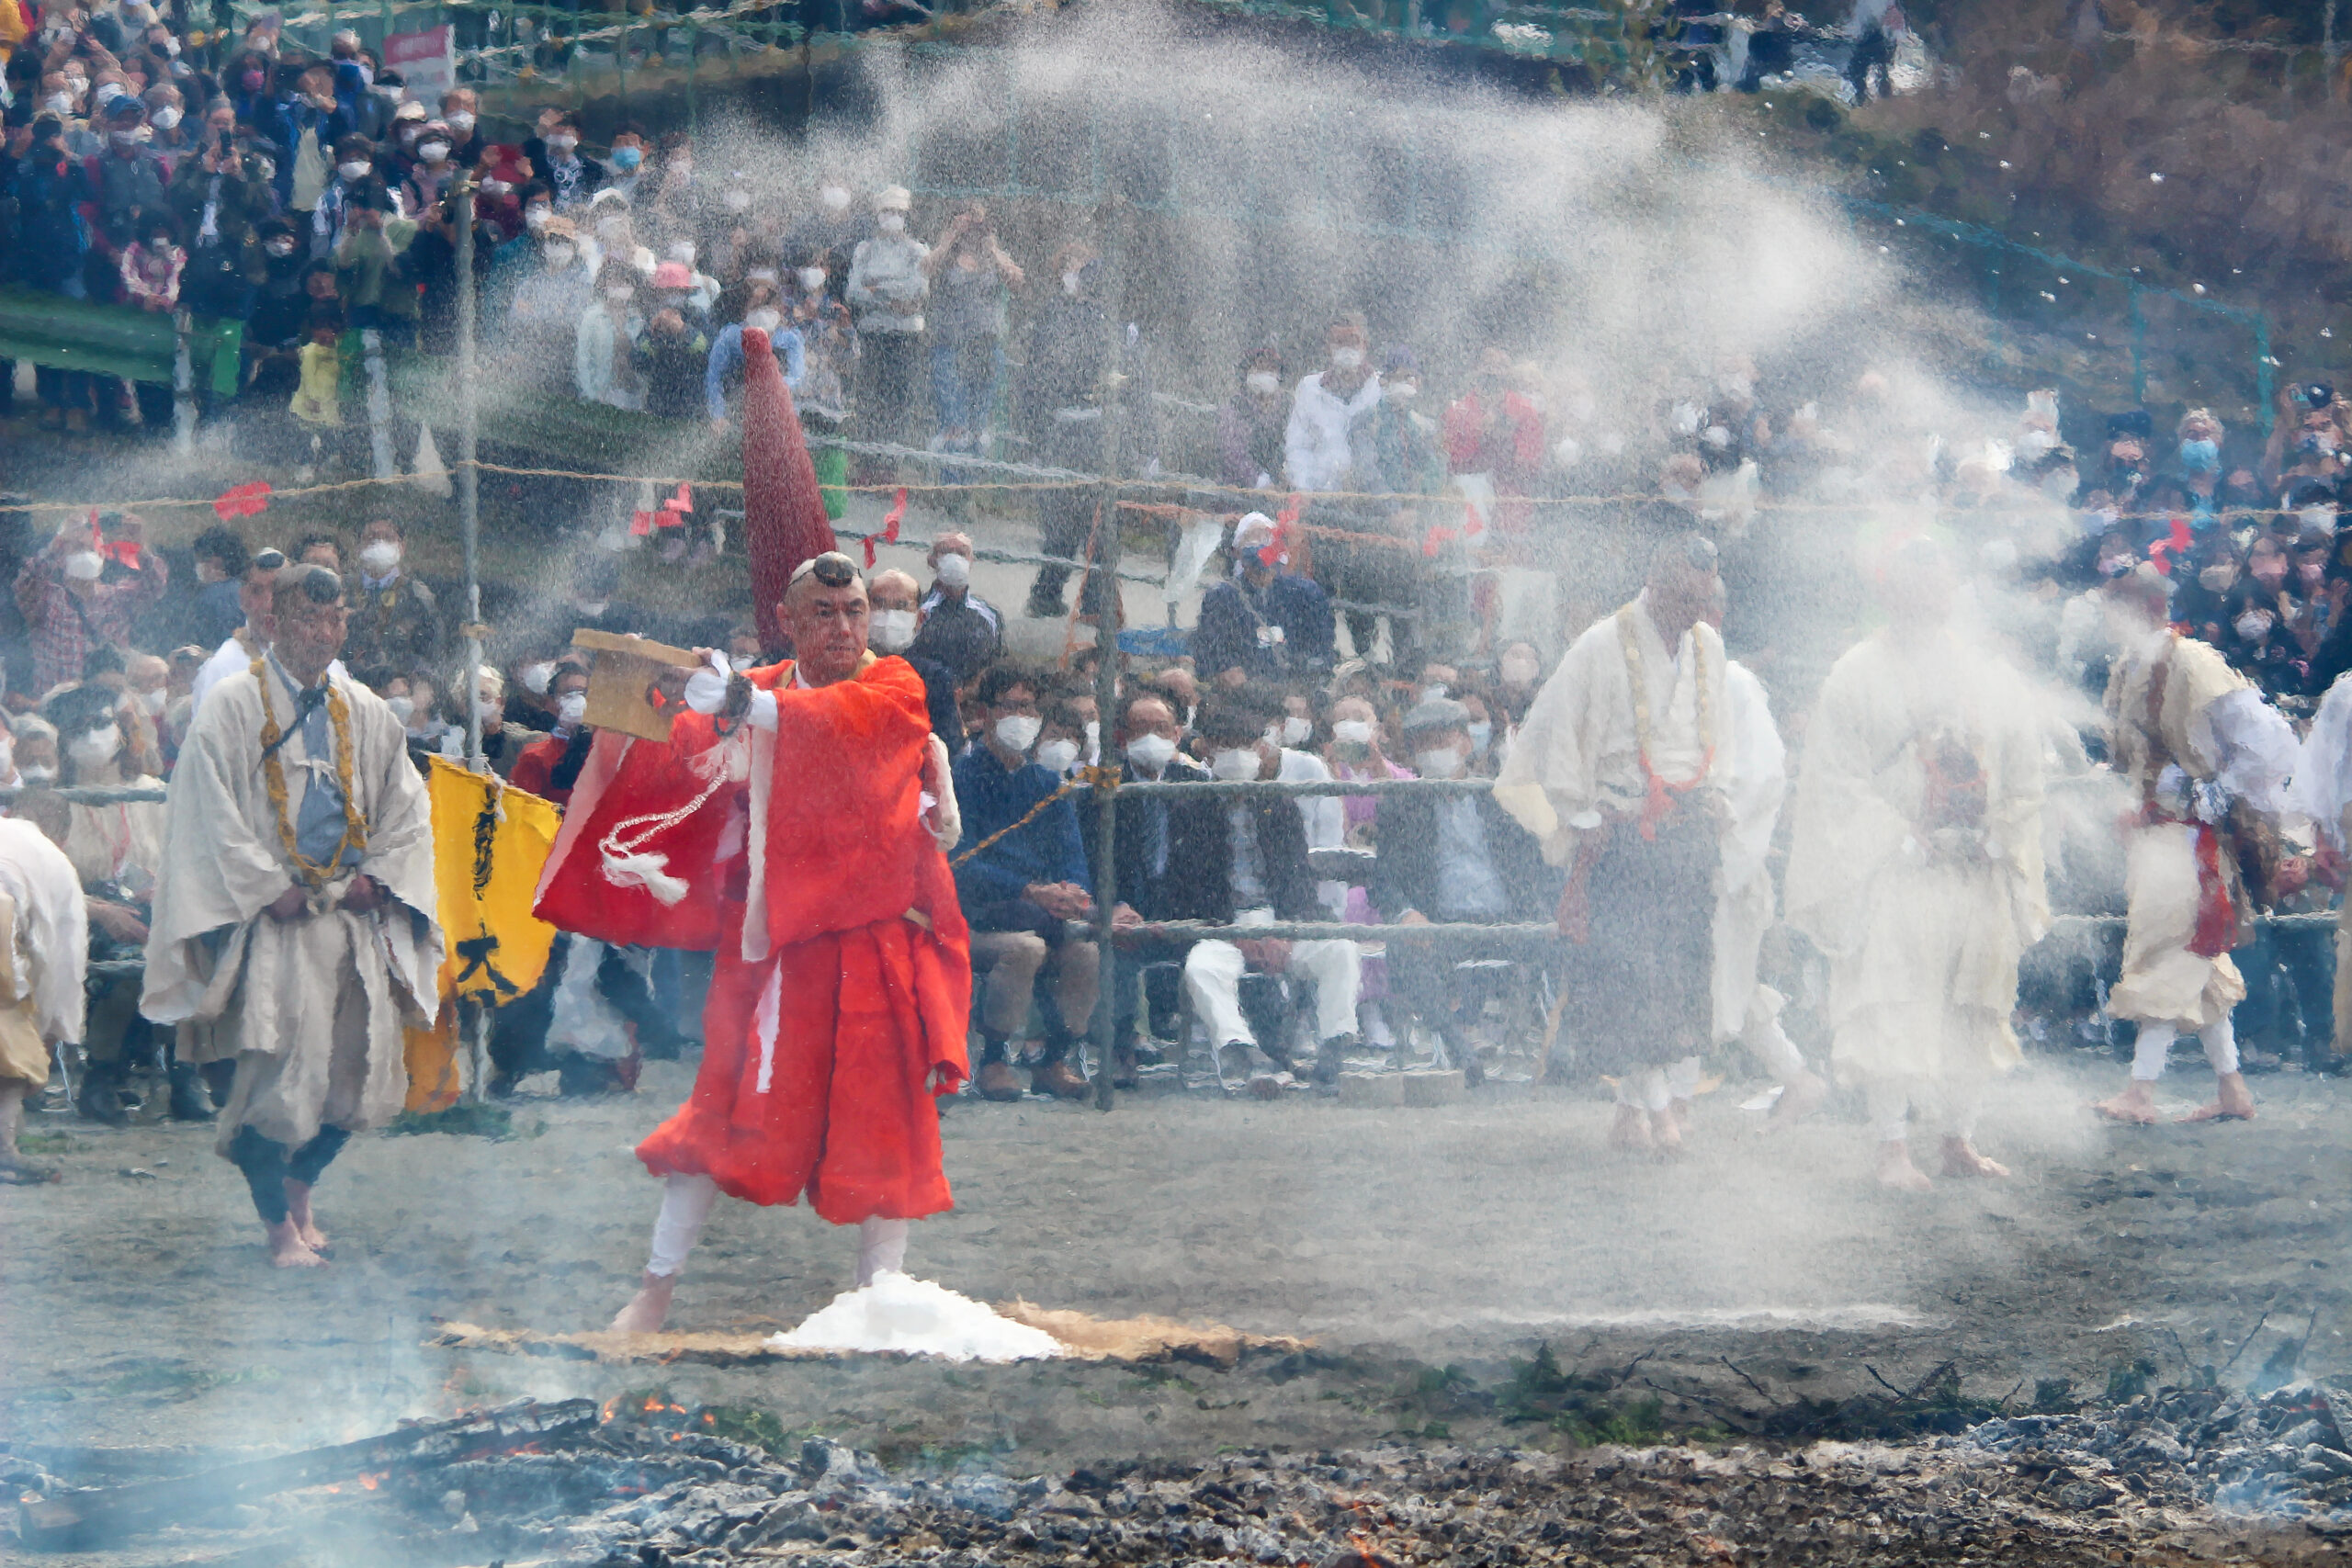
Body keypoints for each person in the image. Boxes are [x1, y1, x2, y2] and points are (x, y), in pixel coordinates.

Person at [570, 551, 967, 1331]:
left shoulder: (895, 686)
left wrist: (743, 702)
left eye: (854, 610)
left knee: (885, 1121)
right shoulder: (752, 691)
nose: (846, 627)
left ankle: (876, 1300)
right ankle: (654, 1287)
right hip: (768, 948)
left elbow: (839, 731)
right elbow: (679, 756)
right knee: (718, 1107)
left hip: (871, 941)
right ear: (785, 621)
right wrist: (643, 693)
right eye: (824, 613)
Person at [140, 563, 440, 1268]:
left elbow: (407, 806)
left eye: (335, 620)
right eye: (309, 619)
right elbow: (209, 811)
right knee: (278, 1081)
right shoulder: (231, 706)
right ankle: (278, 1230)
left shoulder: (363, 706)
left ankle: (301, 1193)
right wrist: (266, 884)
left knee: (359, 1077)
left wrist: (380, 877)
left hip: (351, 916)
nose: (324, 633)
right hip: (273, 921)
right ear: (274, 621)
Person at [1783, 542, 2052, 1189]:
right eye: (1912, 590)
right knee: (1891, 1006)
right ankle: (1891, 1148)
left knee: (1978, 1006)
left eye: (1937, 589)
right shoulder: (1854, 673)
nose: (1926, 603)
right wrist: (1899, 836)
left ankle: (1958, 1138)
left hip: (1976, 867)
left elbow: (2024, 765)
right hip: (1898, 867)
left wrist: (1998, 833)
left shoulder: (1987, 673)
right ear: (1889, 595)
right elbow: (1835, 780)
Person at [1492, 533, 1746, 1152]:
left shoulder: (1707, 642)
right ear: (1656, 582)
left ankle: (1633, 1113)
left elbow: (1721, 736)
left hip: (1686, 834)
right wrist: (1581, 815)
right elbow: (1550, 732)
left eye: (1705, 599)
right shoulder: (1600, 644)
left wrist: (1720, 792)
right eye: (1686, 597)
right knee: (1632, 976)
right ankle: (1656, 1110)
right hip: (1622, 835)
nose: (1695, 611)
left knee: (1680, 977)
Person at [2091, 565, 2298, 1127]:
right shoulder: (2126, 668)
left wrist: (2215, 790)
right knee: (2197, 958)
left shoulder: (2193, 662)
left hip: (2188, 839)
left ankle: (2140, 1091)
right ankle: (2232, 1089)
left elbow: (2273, 741)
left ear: (2146, 610)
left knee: (2169, 954)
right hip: (2155, 834)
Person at [1370, 698, 1561, 1086]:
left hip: (1508, 921)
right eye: (1423, 745)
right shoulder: (1401, 806)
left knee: (1566, 941)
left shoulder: (1501, 797)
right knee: (1402, 947)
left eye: (1441, 740)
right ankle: (1461, 1052)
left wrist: (1547, 911)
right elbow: (1383, 879)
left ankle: (1567, 1054)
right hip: (1440, 925)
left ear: (1465, 744)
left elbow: (1539, 864)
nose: (1433, 752)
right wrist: (1407, 913)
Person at [1180, 699, 1362, 1089]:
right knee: (1201, 967)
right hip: (1225, 927)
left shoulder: (1279, 805)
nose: (1237, 755)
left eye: (1245, 745)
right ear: (1207, 750)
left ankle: (1333, 1046)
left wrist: (1286, 930)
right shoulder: (1192, 807)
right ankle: (1241, 1050)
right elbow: (1193, 889)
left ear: (1261, 749)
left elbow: (1298, 882)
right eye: (1225, 745)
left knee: (1340, 948)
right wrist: (1235, 933)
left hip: (1280, 923)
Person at [951, 665, 1099, 1101]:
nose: (1023, 716)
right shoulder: (962, 776)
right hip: (978, 916)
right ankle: (994, 1059)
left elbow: (1071, 854)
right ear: (985, 712)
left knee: (1086, 952)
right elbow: (961, 861)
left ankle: (1054, 1059)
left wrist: (1072, 892)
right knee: (1026, 949)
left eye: (1030, 707)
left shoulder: (1046, 782)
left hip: (1042, 912)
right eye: (1012, 706)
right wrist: (1028, 890)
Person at [0, 817, 88, 1185]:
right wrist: (47, 1039)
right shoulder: (56, 862)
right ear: (63, 837)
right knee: (13, 1031)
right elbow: (64, 964)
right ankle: (3, 1149)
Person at [16, 514, 170, 696]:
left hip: (107, 702)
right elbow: (26, 581)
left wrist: (140, 547)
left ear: (102, 555)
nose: (86, 554)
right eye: (78, 548)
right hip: (59, 702)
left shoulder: (117, 597)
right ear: (61, 557)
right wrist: (56, 544)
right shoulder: (48, 598)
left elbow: (155, 586)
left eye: (91, 548)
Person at [1191, 513, 1336, 685]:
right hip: (1240, 693)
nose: (1261, 544)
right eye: (1251, 538)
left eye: (1267, 537)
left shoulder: (1305, 594)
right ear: (1236, 552)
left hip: (1293, 691)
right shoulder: (1222, 597)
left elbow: (1321, 653)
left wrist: (1301, 688)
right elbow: (1208, 655)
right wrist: (1226, 673)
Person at [844, 186, 930, 455]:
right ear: (879, 215)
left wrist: (877, 287)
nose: (893, 217)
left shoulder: (918, 251)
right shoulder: (865, 250)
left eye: (898, 212)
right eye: (887, 211)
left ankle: (891, 462)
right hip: (872, 335)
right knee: (870, 398)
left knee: (899, 398)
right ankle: (868, 458)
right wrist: (892, 296)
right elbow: (854, 292)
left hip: (906, 337)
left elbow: (917, 289)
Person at [341, 516, 442, 690]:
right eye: (371, 538)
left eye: (388, 538)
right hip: (347, 684)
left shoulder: (417, 596)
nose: (379, 544)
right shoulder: (342, 590)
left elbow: (432, 650)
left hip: (401, 689)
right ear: (359, 546)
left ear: (402, 546)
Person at [1283, 317, 1381, 495]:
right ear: (1328, 347)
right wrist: (1303, 488)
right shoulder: (1309, 389)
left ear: (1365, 345)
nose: (1347, 349)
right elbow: (1298, 446)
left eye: (1353, 342)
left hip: (1373, 498)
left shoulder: (1381, 390)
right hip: (1320, 496)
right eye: (1340, 342)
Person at [866, 570, 963, 745]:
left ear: (920, 619)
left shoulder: (935, 678)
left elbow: (948, 747)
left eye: (901, 606)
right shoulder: (845, 666)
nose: (890, 614)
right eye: (879, 604)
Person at [909, 534, 1001, 682]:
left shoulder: (990, 615)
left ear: (971, 561)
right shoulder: (915, 608)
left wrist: (970, 691)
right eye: (946, 551)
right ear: (932, 560)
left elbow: (996, 663)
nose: (954, 559)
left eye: (961, 553)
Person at [1219, 346, 1288, 492]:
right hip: (1240, 491)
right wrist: (1261, 482)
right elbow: (1233, 453)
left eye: (1270, 369)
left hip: (1282, 491)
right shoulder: (1236, 407)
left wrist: (1289, 477)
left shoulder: (1286, 407)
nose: (1265, 375)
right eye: (1259, 368)